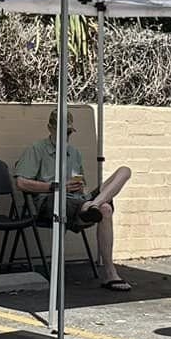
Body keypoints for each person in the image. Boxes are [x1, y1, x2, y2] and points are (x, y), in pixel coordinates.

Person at [14, 109, 134, 291]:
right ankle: (110, 272)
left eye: (68, 132)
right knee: (105, 210)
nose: (65, 136)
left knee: (124, 172)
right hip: (51, 199)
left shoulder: (74, 153)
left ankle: (93, 205)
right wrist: (57, 186)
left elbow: (79, 180)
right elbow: (21, 182)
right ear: (50, 128)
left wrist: (79, 186)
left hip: (78, 199)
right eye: (61, 131)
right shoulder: (37, 149)